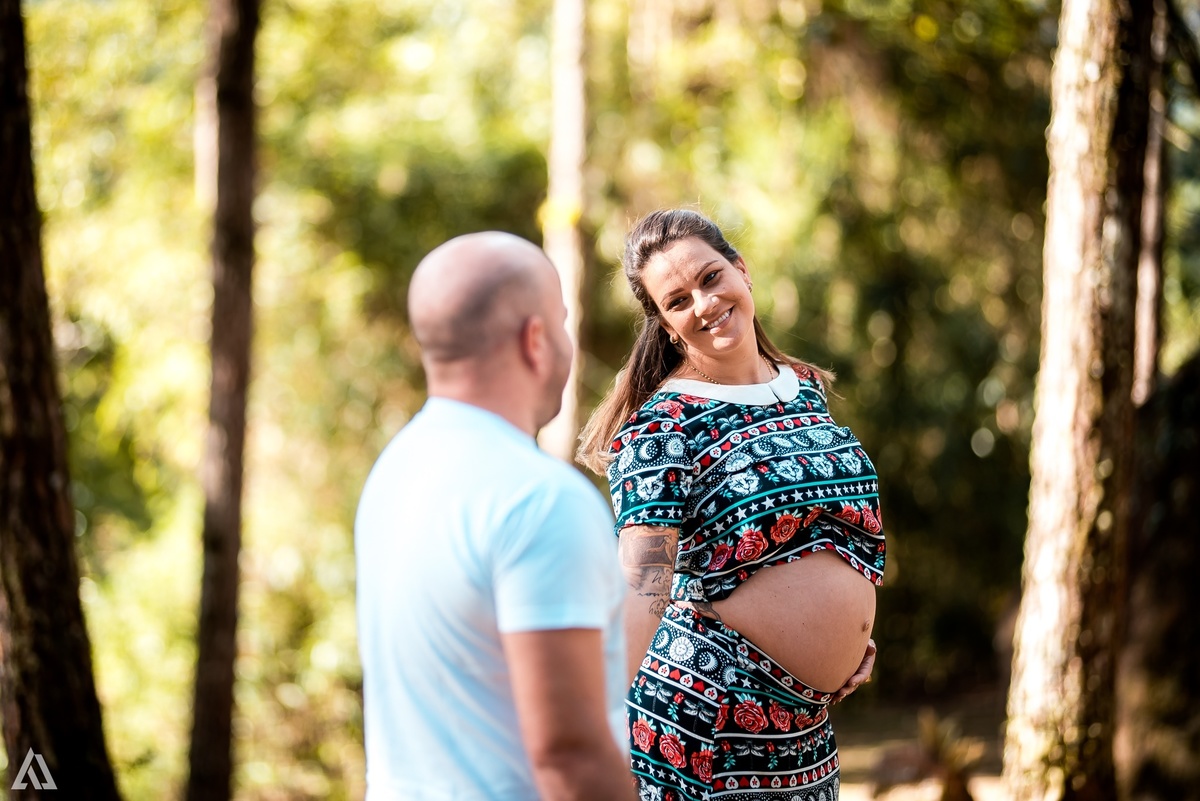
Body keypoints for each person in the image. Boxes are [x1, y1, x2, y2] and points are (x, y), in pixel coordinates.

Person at [578, 209, 885, 800]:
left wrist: (852, 639)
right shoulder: (660, 428)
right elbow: (642, 586)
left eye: (711, 278)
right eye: (677, 300)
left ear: (742, 272)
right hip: (706, 718)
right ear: (666, 326)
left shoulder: (802, 387)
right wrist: (587, 729)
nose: (704, 302)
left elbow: (824, 535)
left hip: (805, 735)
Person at [355, 232, 636, 801]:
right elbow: (570, 755)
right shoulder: (540, 500)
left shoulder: (392, 474)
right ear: (535, 340)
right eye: (560, 321)